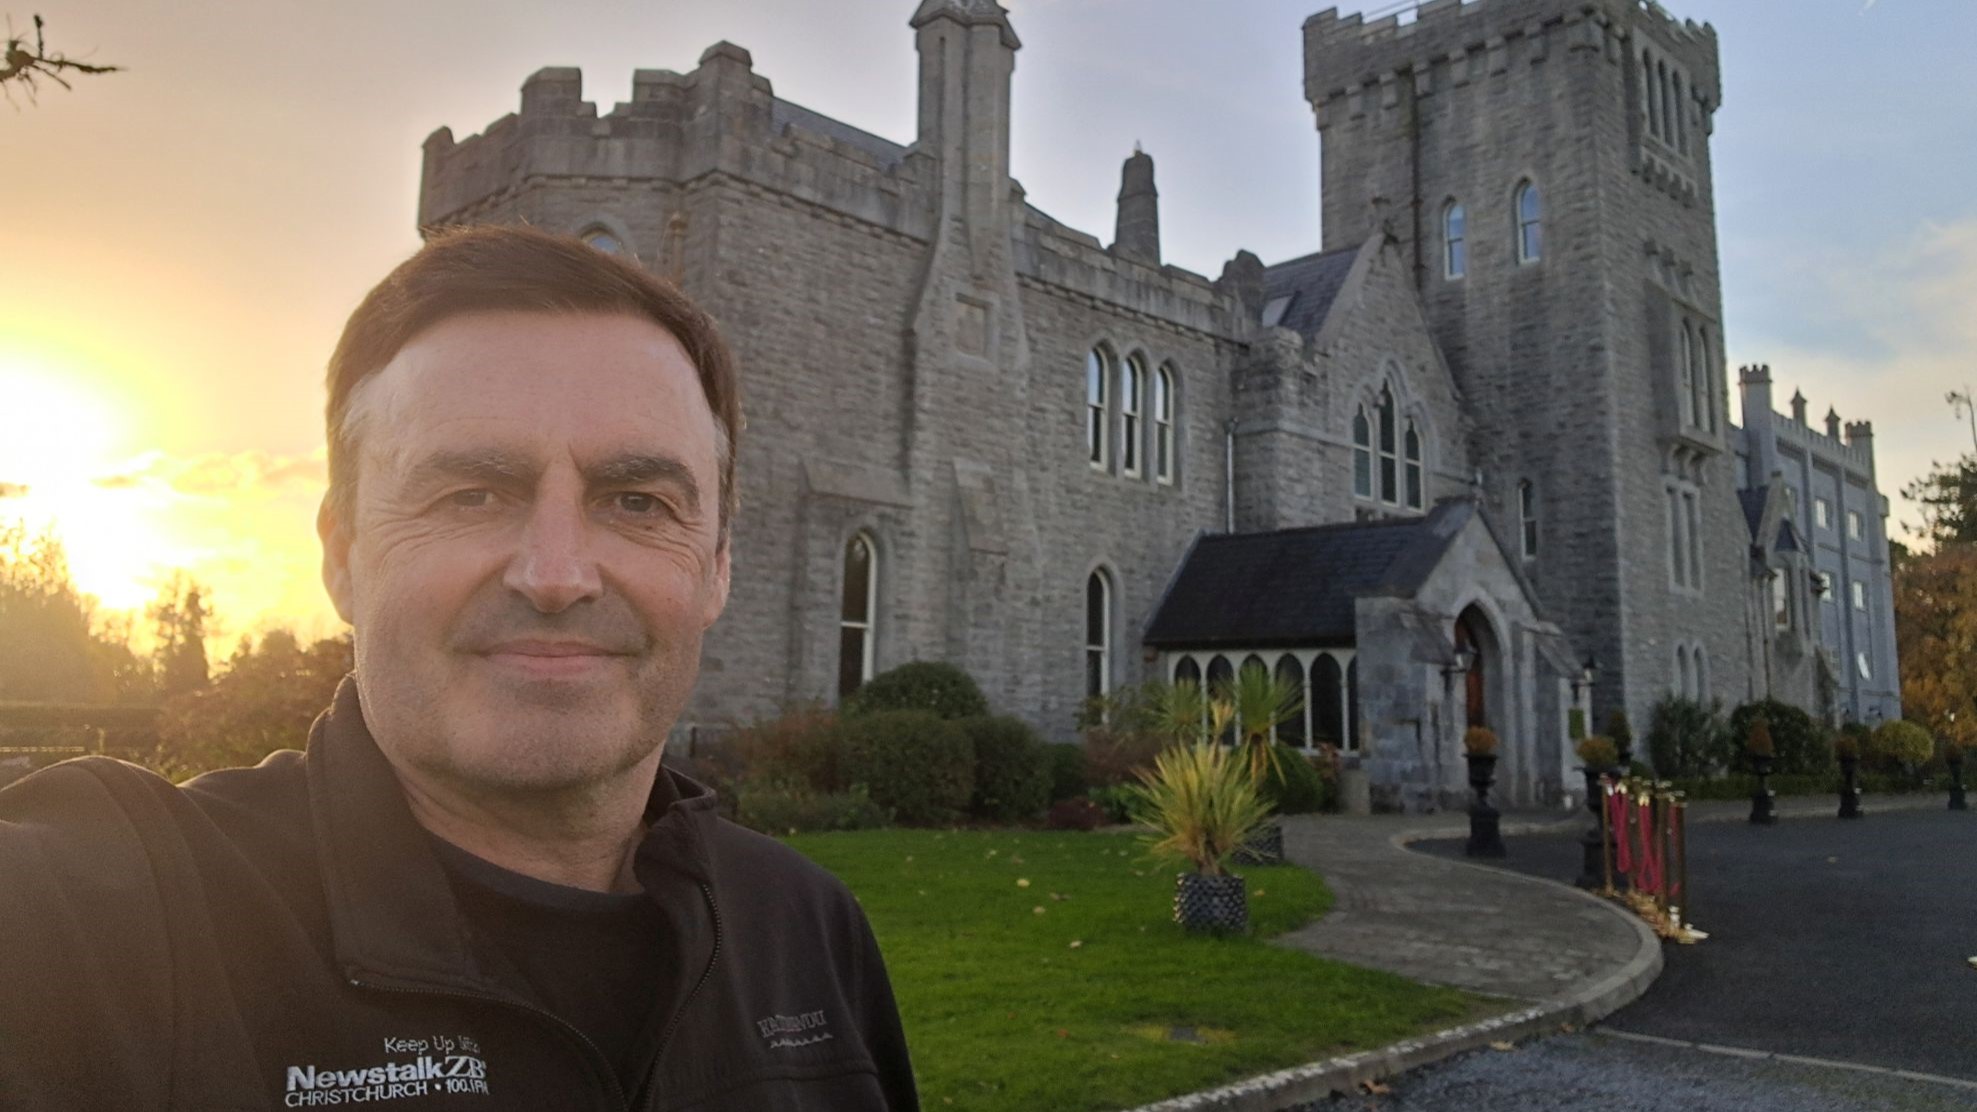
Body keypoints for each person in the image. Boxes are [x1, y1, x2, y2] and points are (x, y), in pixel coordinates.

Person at [0, 226, 919, 1111]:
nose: (556, 575)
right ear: (343, 553)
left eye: (637, 500)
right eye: (471, 493)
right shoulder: (105, 924)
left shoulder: (804, 929)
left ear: (717, 565)